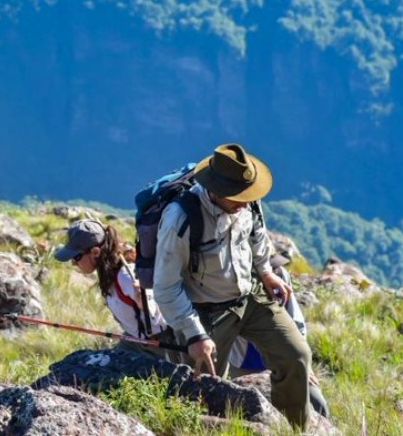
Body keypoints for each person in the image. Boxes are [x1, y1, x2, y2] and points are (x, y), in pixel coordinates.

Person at [154, 143, 313, 430]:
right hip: (206, 313)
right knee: (206, 390)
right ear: (215, 189)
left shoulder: (247, 200)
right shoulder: (181, 218)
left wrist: (266, 272)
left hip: (249, 297)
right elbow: (166, 287)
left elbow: (257, 237)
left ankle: (293, 429)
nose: (245, 202)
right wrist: (194, 335)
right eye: (238, 197)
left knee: (296, 355)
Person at [54, 218, 175, 361]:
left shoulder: (125, 276)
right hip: (133, 341)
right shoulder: (108, 272)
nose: (73, 262)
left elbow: (160, 322)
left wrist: (144, 304)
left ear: (95, 252)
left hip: (159, 346)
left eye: (76, 256)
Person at [230, 253, 330, 419]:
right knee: (250, 410)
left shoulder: (280, 275)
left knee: (317, 404)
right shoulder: (235, 283)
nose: (274, 269)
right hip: (246, 362)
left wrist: (305, 365)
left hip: (286, 359)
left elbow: (296, 322)